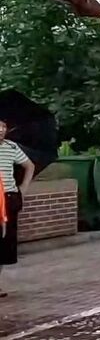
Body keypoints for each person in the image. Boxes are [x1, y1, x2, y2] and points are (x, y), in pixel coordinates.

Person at [0, 118, 35, 298]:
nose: (1, 130)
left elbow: (29, 166)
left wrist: (24, 188)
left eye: (3, 126)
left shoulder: (11, 147)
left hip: (9, 197)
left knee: (5, 241)